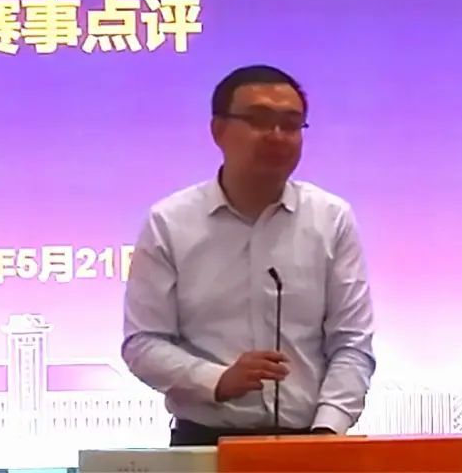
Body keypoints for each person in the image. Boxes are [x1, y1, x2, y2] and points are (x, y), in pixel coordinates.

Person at [121, 65, 376, 446]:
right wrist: (218, 379)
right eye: (259, 120)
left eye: (291, 124)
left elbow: (352, 343)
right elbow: (143, 343)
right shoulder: (170, 222)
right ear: (218, 130)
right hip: (205, 443)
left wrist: (328, 429)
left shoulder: (331, 218)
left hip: (312, 442)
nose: (277, 136)